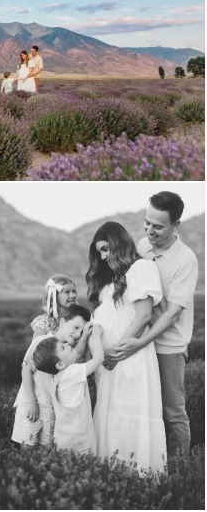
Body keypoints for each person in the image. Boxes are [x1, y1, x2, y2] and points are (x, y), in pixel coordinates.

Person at [120, 191, 198, 458]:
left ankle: (179, 469)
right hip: (141, 342)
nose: (149, 230)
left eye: (158, 226)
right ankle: (152, 459)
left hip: (168, 347)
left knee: (173, 411)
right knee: (146, 407)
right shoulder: (142, 246)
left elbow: (172, 313)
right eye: (147, 222)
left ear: (175, 225)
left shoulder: (185, 260)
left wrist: (141, 341)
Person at [88, 221, 166, 472]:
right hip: (109, 362)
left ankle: (137, 475)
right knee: (110, 415)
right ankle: (113, 475)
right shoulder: (111, 279)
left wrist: (118, 353)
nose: (102, 256)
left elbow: (143, 317)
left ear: (119, 243)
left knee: (129, 413)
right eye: (99, 251)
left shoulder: (142, 267)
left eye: (106, 249)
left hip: (129, 357)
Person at [11, 275, 90, 447]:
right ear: (53, 295)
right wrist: (32, 400)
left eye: (74, 290)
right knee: (29, 436)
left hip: (56, 390)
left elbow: (77, 356)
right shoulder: (44, 323)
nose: (72, 295)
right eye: (66, 291)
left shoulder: (77, 323)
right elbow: (32, 362)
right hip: (39, 389)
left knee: (47, 440)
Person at [33, 322, 107, 454]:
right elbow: (99, 359)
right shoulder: (72, 372)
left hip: (63, 437)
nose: (67, 344)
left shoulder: (57, 378)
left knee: (68, 469)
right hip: (80, 437)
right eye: (62, 347)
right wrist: (96, 336)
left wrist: (84, 337)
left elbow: (81, 359)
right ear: (60, 364)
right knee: (85, 467)